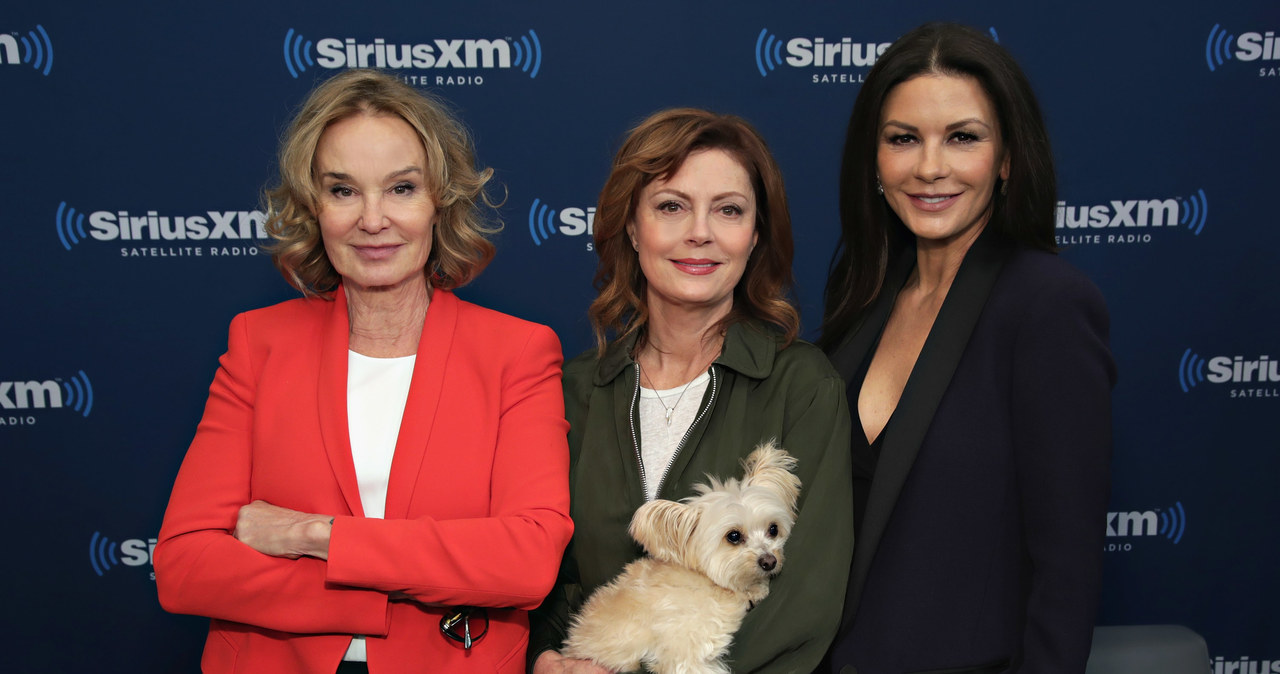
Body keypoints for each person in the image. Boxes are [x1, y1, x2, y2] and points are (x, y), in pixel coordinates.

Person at [154, 69, 573, 674]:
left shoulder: (517, 352)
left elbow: (526, 561)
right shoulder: (258, 343)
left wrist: (314, 536)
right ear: (313, 206)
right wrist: (393, 594)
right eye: (343, 190)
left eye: (402, 188)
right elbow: (186, 566)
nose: (372, 220)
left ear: (439, 201)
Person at [818, 22, 1116, 674]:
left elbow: (1065, 576)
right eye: (903, 139)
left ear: (1007, 159)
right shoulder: (863, 297)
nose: (930, 167)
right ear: (875, 159)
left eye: (963, 137)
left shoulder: (1046, 306)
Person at [529, 108, 854, 673]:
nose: (699, 232)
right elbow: (546, 576)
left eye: (728, 210)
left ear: (755, 236)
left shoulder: (801, 385)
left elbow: (805, 598)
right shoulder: (574, 390)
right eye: (671, 206)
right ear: (632, 227)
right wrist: (547, 658)